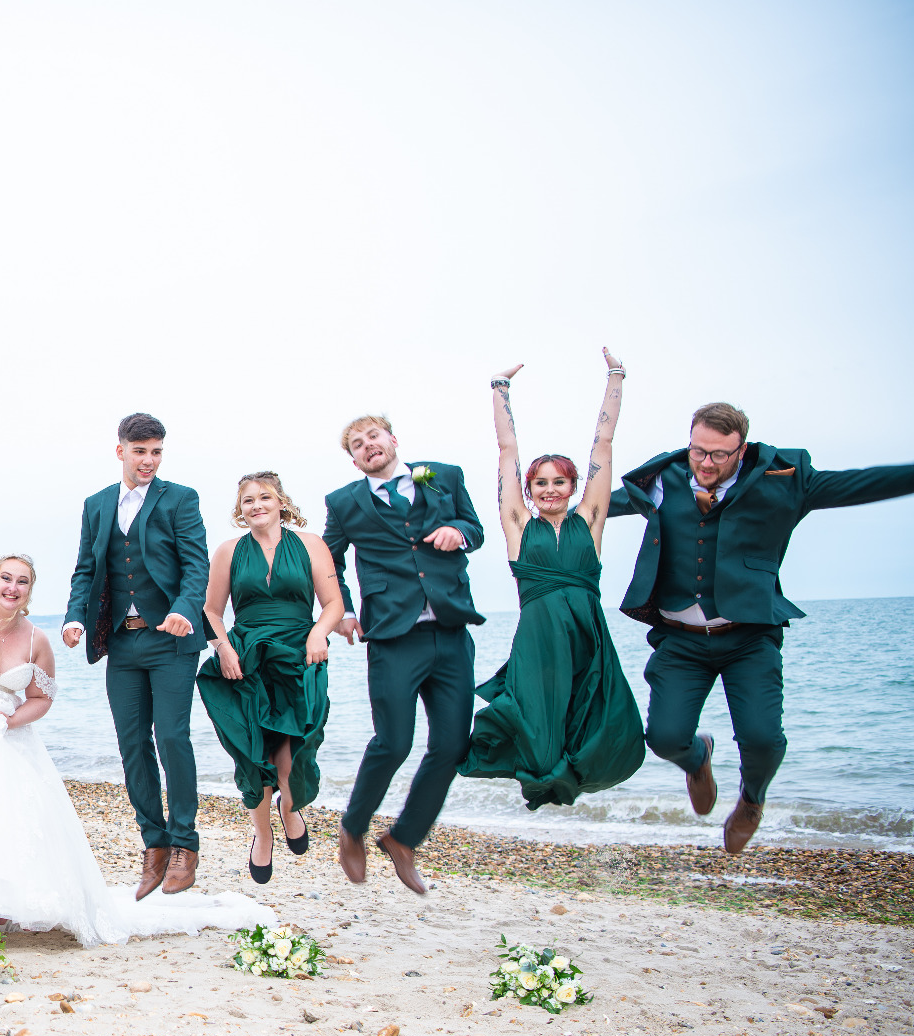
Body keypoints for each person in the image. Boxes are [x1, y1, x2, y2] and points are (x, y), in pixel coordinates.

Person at [0, 555, 276, 944]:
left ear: (30, 591)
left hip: (0, 732)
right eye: (6, 578)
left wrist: (10, 720)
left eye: (22, 582)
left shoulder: (35, 639)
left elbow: (41, 699)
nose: (12, 587)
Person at [607, 402, 914, 852]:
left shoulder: (784, 480)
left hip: (749, 638)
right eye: (698, 451)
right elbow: (598, 506)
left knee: (764, 740)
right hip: (680, 641)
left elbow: (859, 483)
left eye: (719, 454)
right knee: (665, 739)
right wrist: (549, 511)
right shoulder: (662, 480)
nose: (705, 463)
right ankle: (698, 759)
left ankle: (752, 800)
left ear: (741, 449)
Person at [458, 350, 645, 808]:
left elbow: (603, 444)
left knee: (596, 717)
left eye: (559, 482)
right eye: (540, 483)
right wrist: (500, 387)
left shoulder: (590, 520)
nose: (549, 490)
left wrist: (615, 376)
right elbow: (507, 452)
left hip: (587, 633)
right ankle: (544, 780)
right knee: (539, 730)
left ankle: (579, 779)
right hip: (539, 639)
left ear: (573, 487)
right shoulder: (519, 525)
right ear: (529, 490)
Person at [323, 414, 486, 896]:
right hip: (393, 636)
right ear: (354, 461)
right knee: (393, 743)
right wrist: (343, 610)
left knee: (452, 746)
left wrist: (457, 531)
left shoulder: (445, 476)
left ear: (392, 439)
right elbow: (328, 561)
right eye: (357, 444)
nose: (368, 445)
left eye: (373, 435)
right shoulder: (343, 502)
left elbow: (475, 529)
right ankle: (353, 827)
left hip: (451, 629)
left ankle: (403, 838)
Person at [60, 413, 211, 899]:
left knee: (172, 737)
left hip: (170, 640)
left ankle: (185, 844)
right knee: (132, 745)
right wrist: (74, 618)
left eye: (156, 452)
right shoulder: (97, 504)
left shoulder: (180, 499)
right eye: (140, 451)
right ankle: (155, 844)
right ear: (120, 450)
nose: (148, 460)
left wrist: (185, 609)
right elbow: (86, 569)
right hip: (121, 644)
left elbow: (196, 565)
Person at [196, 472, 342, 885]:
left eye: (265, 497)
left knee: (295, 748)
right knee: (253, 751)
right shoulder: (228, 551)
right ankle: (262, 835)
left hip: (300, 654)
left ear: (282, 503)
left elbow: (333, 603)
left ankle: (290, 807)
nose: (256, 505)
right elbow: (210, 611)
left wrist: (318, 633)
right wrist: (223, 649)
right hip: (246, 659)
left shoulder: (311, 544)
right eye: (248, 500)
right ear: (240, 510)